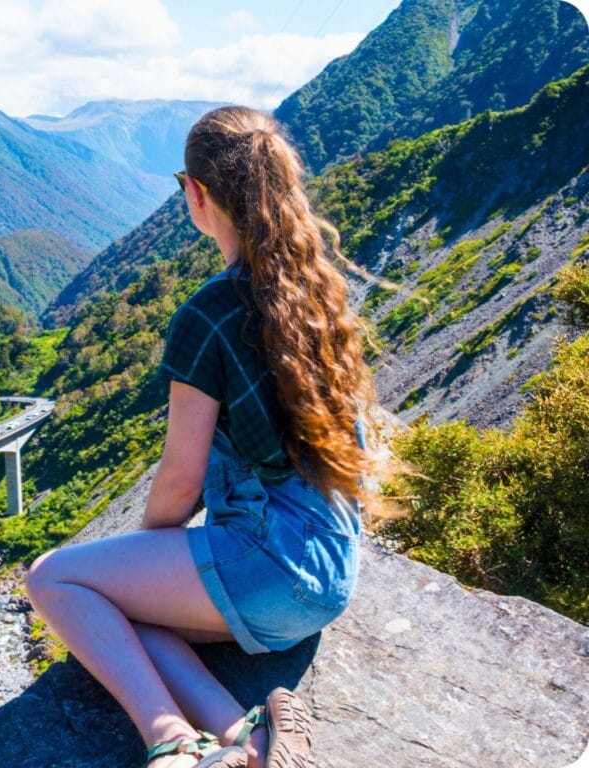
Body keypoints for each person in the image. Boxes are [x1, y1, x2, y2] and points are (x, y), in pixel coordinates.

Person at [25, 106, 377, 768]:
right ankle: (248, 739)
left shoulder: (209, 315)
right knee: (129, 612)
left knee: (54, 580)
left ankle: (169, 740)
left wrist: (145, 554)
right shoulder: (314, 289)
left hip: (272, 569)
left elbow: (181, 480)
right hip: (331, 569)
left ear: (195, 192)